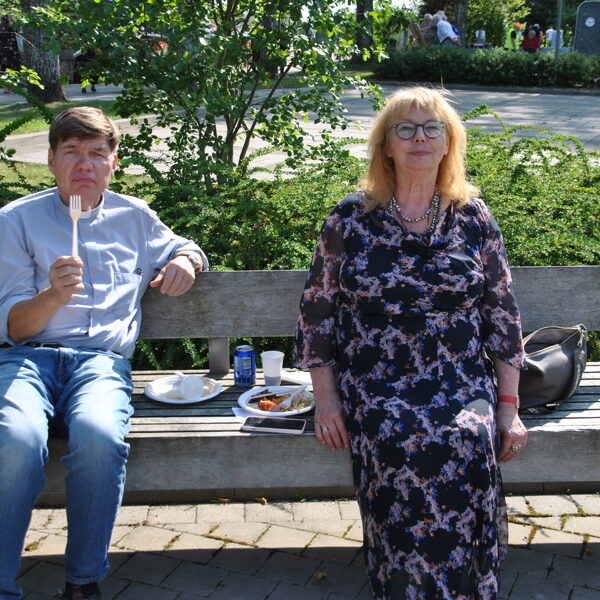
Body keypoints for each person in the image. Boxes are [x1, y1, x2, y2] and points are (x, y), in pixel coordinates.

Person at [294, 86, 528, 600]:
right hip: (375, 377)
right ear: (387, 145)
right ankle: (404, 586)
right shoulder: (349, 218)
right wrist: (326, 399)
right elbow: (316, 312)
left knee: (469, 436)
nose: (419, 137)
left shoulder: (473, 217)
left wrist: (508, 408)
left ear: (448, 143)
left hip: (458, 375)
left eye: (431, 128)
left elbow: (503, 316)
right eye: (405, 128)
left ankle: (463, 586)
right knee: (396, 438)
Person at [0, 106, 208, 600]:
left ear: (113, 163)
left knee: (98, 438)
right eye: (71, 152)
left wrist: (186, 260)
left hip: (100, 364)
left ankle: (83, 581)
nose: (84, 164)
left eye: (96, 153)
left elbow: (184, 247)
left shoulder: (134, 217)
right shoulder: (15, 221)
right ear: (51, 160)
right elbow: (12, 327)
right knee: (16, 441)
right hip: (25, 360)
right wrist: (52, 297)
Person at [0, 14, 21, 93]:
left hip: (10, 51)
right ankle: (8, 86)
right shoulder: (9, 28)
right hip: (7, 51)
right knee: (8, 68)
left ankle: (10, 86)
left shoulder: (14, 27)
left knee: (11, 67)